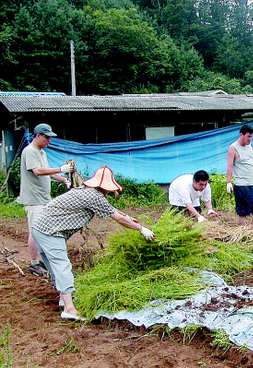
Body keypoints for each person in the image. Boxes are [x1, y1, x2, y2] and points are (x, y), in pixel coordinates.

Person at [31, 166, 156, 320]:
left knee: (54, 266)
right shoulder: (94, 196)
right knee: (62, 266)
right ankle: (69, 309)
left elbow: (112, 210)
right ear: (104, 187)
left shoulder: (85, 191)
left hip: (39, 227)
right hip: (50, 231)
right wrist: (142, 229)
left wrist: (129, 217)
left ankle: (64, 299)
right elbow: (118, 218)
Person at [19, 123, 73, 276]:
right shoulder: (30, 151)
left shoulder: (41, 152)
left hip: (44, 199)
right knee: (35, 231)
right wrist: (60, 169)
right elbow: (37, 171)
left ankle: (41, 259)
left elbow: (48, 172)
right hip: (34, 200)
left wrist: (62, 179)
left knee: (44, 230)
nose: (49, 141)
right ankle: (34, 264)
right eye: (47, 137)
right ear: (37, 136)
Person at [226, 124, 253, 225]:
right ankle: (242, 232)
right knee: (243, 212)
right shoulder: (233, 148)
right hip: (242, 185)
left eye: (251, 136)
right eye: (248, 136)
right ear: (241, 135)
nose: (250, 139)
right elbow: (230, 166)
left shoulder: (249, 146)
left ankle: (251, 226)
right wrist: (228, 182)